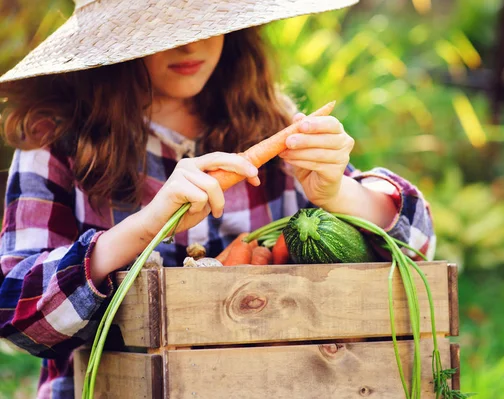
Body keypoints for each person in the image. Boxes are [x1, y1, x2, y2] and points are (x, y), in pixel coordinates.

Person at [0, 0, 435, 397]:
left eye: (206, 20)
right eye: (163, 25)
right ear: (112, 39)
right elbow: (16, 314)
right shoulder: (54, 140)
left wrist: (339, 192)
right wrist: (146, 226)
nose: (191, 43)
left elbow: (417, 244)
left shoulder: (271, 123)